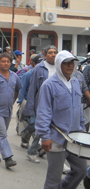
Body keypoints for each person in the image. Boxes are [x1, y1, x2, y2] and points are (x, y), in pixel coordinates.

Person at [36, 51, 87, 189]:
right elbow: (43, 112)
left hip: (75, 138)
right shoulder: (49, 85)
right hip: (56, 138)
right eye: (66, 63)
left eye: (72, 62)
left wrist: (83, 130)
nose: (70, 66)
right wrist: (45, 136)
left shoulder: (76, 81)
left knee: (81, 170)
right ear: (59, 64)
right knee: (54, 179)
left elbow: (78, 109)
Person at [23, 45, 58, 163]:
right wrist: (30, 108)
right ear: (44, 54)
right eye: (50, 53)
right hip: (43, 104)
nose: (53, 55)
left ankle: (34, 150)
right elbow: (33, 89)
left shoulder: (60, 67)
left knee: (50, 129)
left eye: (55, 52)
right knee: (43, 128)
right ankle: (56, 160)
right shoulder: (39, 68)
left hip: (57, 105)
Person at [0, 53, 22, 169]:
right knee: (2, 133)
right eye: (3, 61)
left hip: (8, 109)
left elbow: (17, 90)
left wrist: (12, 101)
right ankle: (8, 158)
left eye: (8, 61)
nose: (6, 63)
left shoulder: (14, 76)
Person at [18, 54, 42, 149]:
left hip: (41, 104)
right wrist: (21, 102)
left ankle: (26, 140)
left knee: (37, 124)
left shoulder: (44, 75)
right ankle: (36, 146)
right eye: (38, 64)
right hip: (29, 103)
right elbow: (22, 89)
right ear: (33, 64)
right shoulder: (28, 75)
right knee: (33, 124)